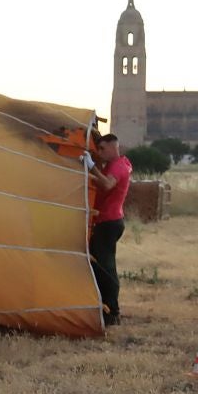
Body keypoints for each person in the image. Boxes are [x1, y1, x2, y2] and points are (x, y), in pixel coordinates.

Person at [86, 133, 132, 326]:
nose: (101, 153)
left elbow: (107, 184)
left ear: (113, 147)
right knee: (98, 266)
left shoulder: (119, 166)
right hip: (106, 221)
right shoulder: (114, 165)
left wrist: (91, 167)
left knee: (106, 268)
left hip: (109, 222)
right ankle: (103, 307)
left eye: (102, 149)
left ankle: (112, 312)